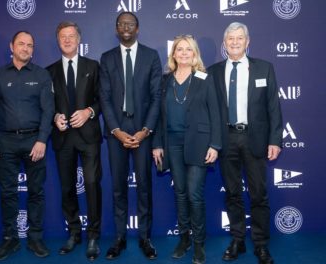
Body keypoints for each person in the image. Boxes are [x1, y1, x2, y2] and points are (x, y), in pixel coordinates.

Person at [207, 22, 283, 264]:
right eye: (231, 38)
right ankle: (238, 240)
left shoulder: (264, 68)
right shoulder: (214, 71)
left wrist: (275, 140)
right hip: (226, 139)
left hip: (255, 138)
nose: (235, 42)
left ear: (248, 42)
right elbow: (208, 111)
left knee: (259, 194)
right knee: (232, 193)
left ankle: (260, 244)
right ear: (224, 43)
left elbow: (273, 107)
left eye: (240, 38)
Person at [0, 31, 54, 261]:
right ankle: (10, 239)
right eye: (21, 44)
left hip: (35, 140)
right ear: (11, 46)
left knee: (36, 192)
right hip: (5, 141)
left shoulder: (42, 75)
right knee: (8, 193)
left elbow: (48, 111)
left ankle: (35, 237)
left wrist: (42, 139)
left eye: (30, 45)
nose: (25, 48)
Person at [152, 35, 222, 264]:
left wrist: (215, 145)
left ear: (195, 54)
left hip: (199, 143)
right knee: (180, 193)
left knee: (194, 194)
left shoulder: (204, 78)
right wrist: (157, 144)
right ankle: (184, 239)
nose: (183, 53)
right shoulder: (165, 80)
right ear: (173, 54)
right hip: (171, 143)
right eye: (179, 49)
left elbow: (215, 114)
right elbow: (158, 117)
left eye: (188, 50)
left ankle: (199, 243)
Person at [99, 12, 162, 260]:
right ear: (117, 29)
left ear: (138, 29)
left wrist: (145, 131)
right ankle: (119, 238)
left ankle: (145, 238)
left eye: (131, 24)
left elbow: (157, 96)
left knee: (144, 187)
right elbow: (104, 97)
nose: (126, 27)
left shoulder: (151, 56)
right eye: (122, 24)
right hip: (117, 133)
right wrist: (117, 131)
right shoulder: (107, 58)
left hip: (143, 131)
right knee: (118, 188)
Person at [46, 21, 103, 260]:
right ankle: (74, 232)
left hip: (88, 136)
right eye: (63, 37)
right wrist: (54, 117)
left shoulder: (94, 66)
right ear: (58, 41)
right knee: (68, 187)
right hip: (63, 138)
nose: (67, 40)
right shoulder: (49, 71)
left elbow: (103, 101)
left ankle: (93, 236)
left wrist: (89, 111)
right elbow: (45, 106)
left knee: (91, 184)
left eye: (71, 36)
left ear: (79, 40)